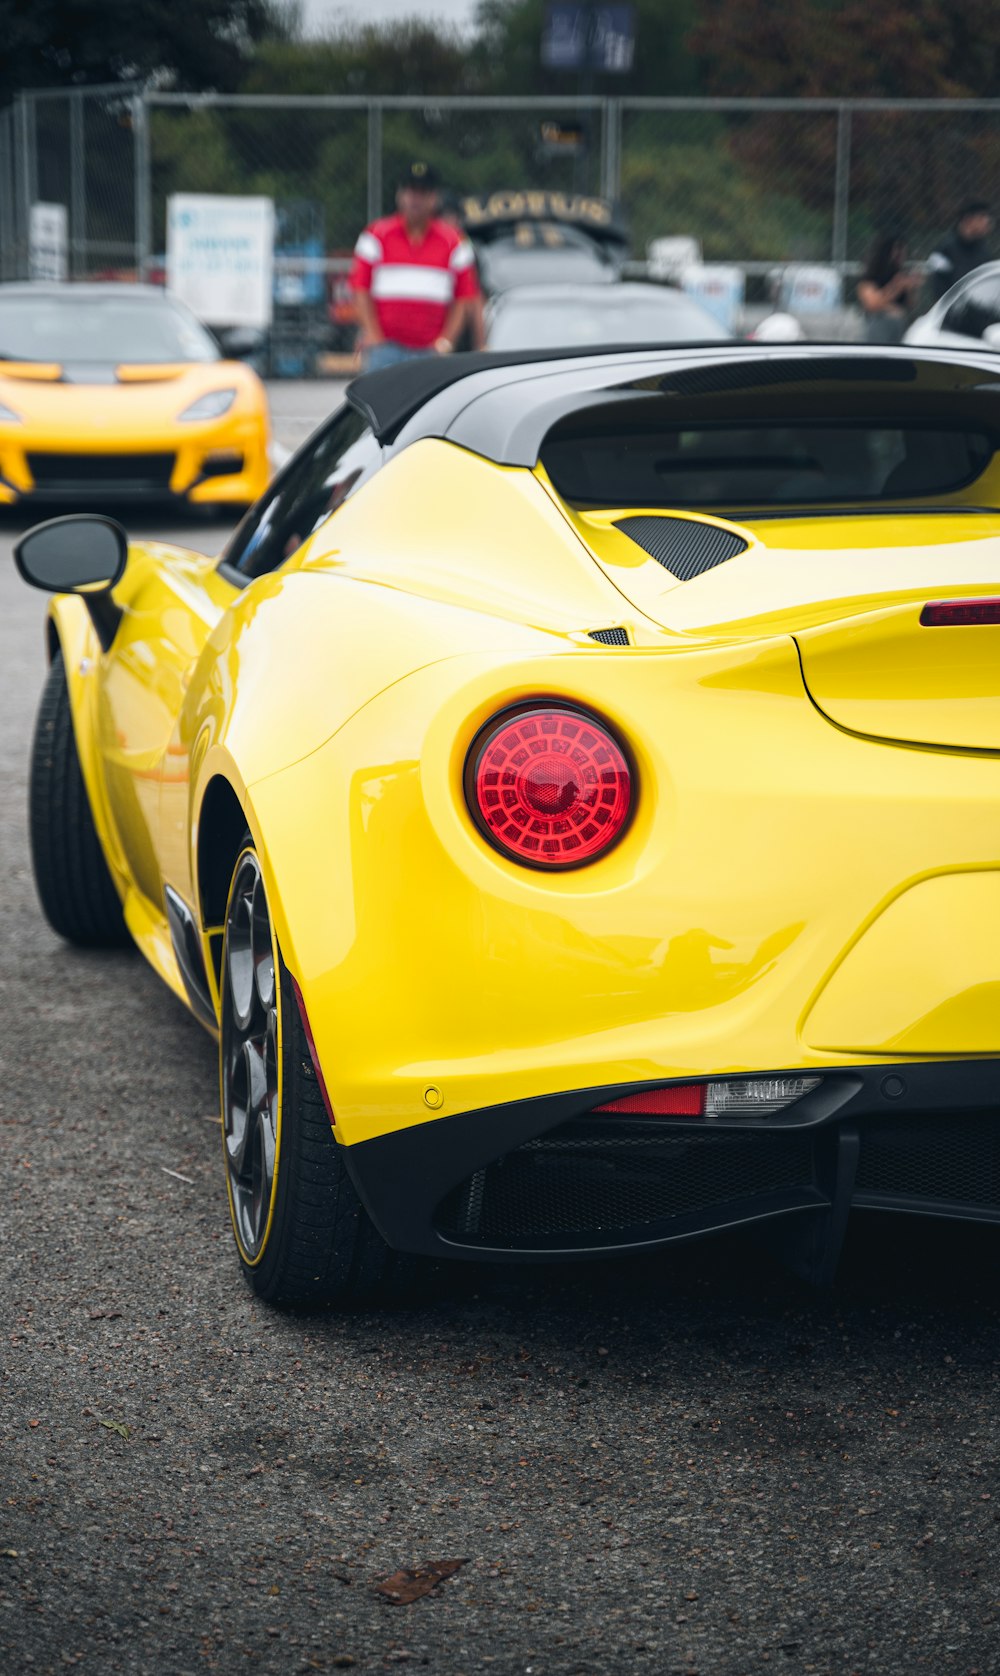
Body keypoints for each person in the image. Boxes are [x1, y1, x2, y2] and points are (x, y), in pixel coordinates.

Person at [350, 162, 481, 371]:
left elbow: (465, 298)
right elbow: (360, 289)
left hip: (431, 352)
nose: (415, 199)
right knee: (382, 403)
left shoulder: (454, 241)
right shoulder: (375, 235)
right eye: (410, 191)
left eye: (423, 193)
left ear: (434, 198)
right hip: (385, 349)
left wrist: (445, 341)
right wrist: (374, 336)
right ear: (399, 195)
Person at [856, 234, 922, 343]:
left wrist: (912, 288)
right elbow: (873, 304)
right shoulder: (871, 276)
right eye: (897, 250)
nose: (901, 255)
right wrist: (896, 286)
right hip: (879, 325)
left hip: (900, 327)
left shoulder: (900, 272)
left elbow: (911, 305)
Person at [926, 201, 994, 302]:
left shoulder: (983, 250)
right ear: (967, 219)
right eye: (981, 217)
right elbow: (939, 290)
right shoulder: (944, 249)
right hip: (952, 310)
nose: (987, 221)